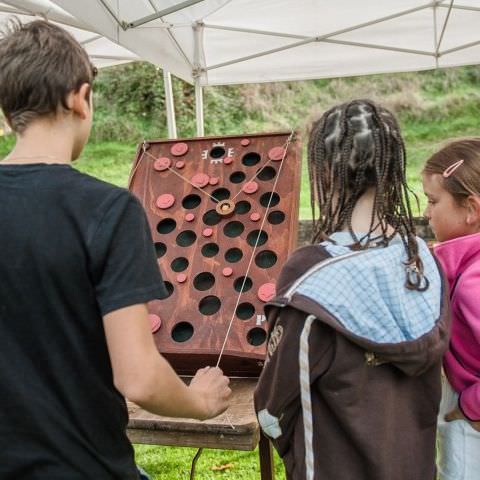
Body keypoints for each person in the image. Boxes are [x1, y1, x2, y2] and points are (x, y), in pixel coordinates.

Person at [0, 19, 231, 480]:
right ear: (79, 97)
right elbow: (139, 378)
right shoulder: (107, 210)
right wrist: (200, 401)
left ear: (9, 111)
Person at [254, 99, 450, 480]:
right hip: (414, 464)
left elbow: (275, 401)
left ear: (325, 171)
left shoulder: (311, 274)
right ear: (392, 166)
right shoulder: (424, 261)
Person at [422, 138, 480, 480]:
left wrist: (471, 405)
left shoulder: (475, 280)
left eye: (433, 201)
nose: (427, 212)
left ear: (471, 209)